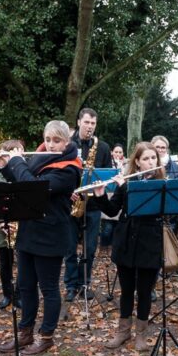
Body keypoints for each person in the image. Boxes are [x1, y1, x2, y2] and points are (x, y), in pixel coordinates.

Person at [0, 121, 82, 356]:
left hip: (51, 234)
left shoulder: (69, 168)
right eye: (48, 139)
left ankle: (46, 336)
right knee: (25, 285)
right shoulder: (40, 158)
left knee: (49, 288)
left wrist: (17, 162)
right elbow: (22, 187)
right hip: (29, 230)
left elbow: (35, 188)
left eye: (57, 140)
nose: (51, 144)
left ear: (66, 142)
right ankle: (25, 333)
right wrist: (7, 168)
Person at [92, 142, 165, 350]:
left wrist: (125, 187)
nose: (151, 162)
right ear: (137, 162)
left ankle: (141, 334)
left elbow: (157, 211)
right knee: (126, 291)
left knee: (144, 291)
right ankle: (123, 332)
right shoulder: (127, 181)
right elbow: (113, 209)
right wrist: (99, 195)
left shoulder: (161, 184)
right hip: (126, 242)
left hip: (149, 243)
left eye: (153, 158)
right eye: (146, 159)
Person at [64, 108, 113, 302]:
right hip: (71, 204)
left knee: (90, 249)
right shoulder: (67, 145)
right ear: (78, 122)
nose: (90, 127)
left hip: (92, 206)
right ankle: (70, 285)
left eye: (93, 123)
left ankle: (85, 283)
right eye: (87, 123)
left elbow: (108, 174)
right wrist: (70, 192)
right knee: (69, 248)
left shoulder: (102, 147)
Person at [0, 140, 24, 310]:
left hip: (21, 225)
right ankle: (7, 294)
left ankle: (19, 294)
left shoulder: (22, 173)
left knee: (23, 262)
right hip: (1, 227)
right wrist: (1, 224)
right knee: (5, 263)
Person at [100, 143, 126, 248]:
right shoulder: (107, 163)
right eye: (116, 152)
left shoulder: (126, 164)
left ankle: (112, 246)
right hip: (109, 194)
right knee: (107, 228)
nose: (118, 154)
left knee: (115, 226)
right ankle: (104, 246)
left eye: (120, 152)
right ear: (112, 152)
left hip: (119, 195)